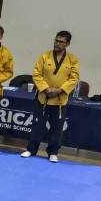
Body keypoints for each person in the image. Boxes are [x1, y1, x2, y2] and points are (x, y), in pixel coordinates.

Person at [23, 31, 79, 163]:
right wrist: (46, 88)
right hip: (43, 97)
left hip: (60, 100)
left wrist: (59, 90)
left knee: (57, 128)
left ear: (68, 44)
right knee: (37, 125)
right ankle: (31, 149)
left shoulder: (73, 60)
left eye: (61, 42)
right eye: (56, 41)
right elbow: (36, 74)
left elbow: (74, 78)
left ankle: (53, 152)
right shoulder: (44, 56)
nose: (57, 43)